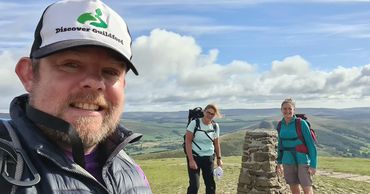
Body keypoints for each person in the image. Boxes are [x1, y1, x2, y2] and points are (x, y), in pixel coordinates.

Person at [0, 0, 152, 193]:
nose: (95, 82)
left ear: (123, 85)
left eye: (111, 71)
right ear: (29, 74)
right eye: (71, 64)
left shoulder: (131, 171)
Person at [275, 98, 317, 194]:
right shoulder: (280, 125)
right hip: (287, 159)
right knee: (293, 186)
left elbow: (310, 144)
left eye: (290, 108)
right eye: (285, 109)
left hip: (302, 158)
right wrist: (279, 162)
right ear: (281, 110)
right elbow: (280, 145)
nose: (287, 111)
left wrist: (313, 165)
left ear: (294, 110)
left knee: (306, 186)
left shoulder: (301, 123)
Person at [185, 104, 223, 194]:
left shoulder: (215, 126)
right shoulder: (194, 123)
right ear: (204, 112)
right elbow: (188, 142)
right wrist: (191, 160)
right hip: (195, 157)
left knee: (210, 185)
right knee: (194, 186)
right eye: (208, 112)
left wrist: (219, 159)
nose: (209, 115)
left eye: (212, 114)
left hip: (209, 158)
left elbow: (216, 143)